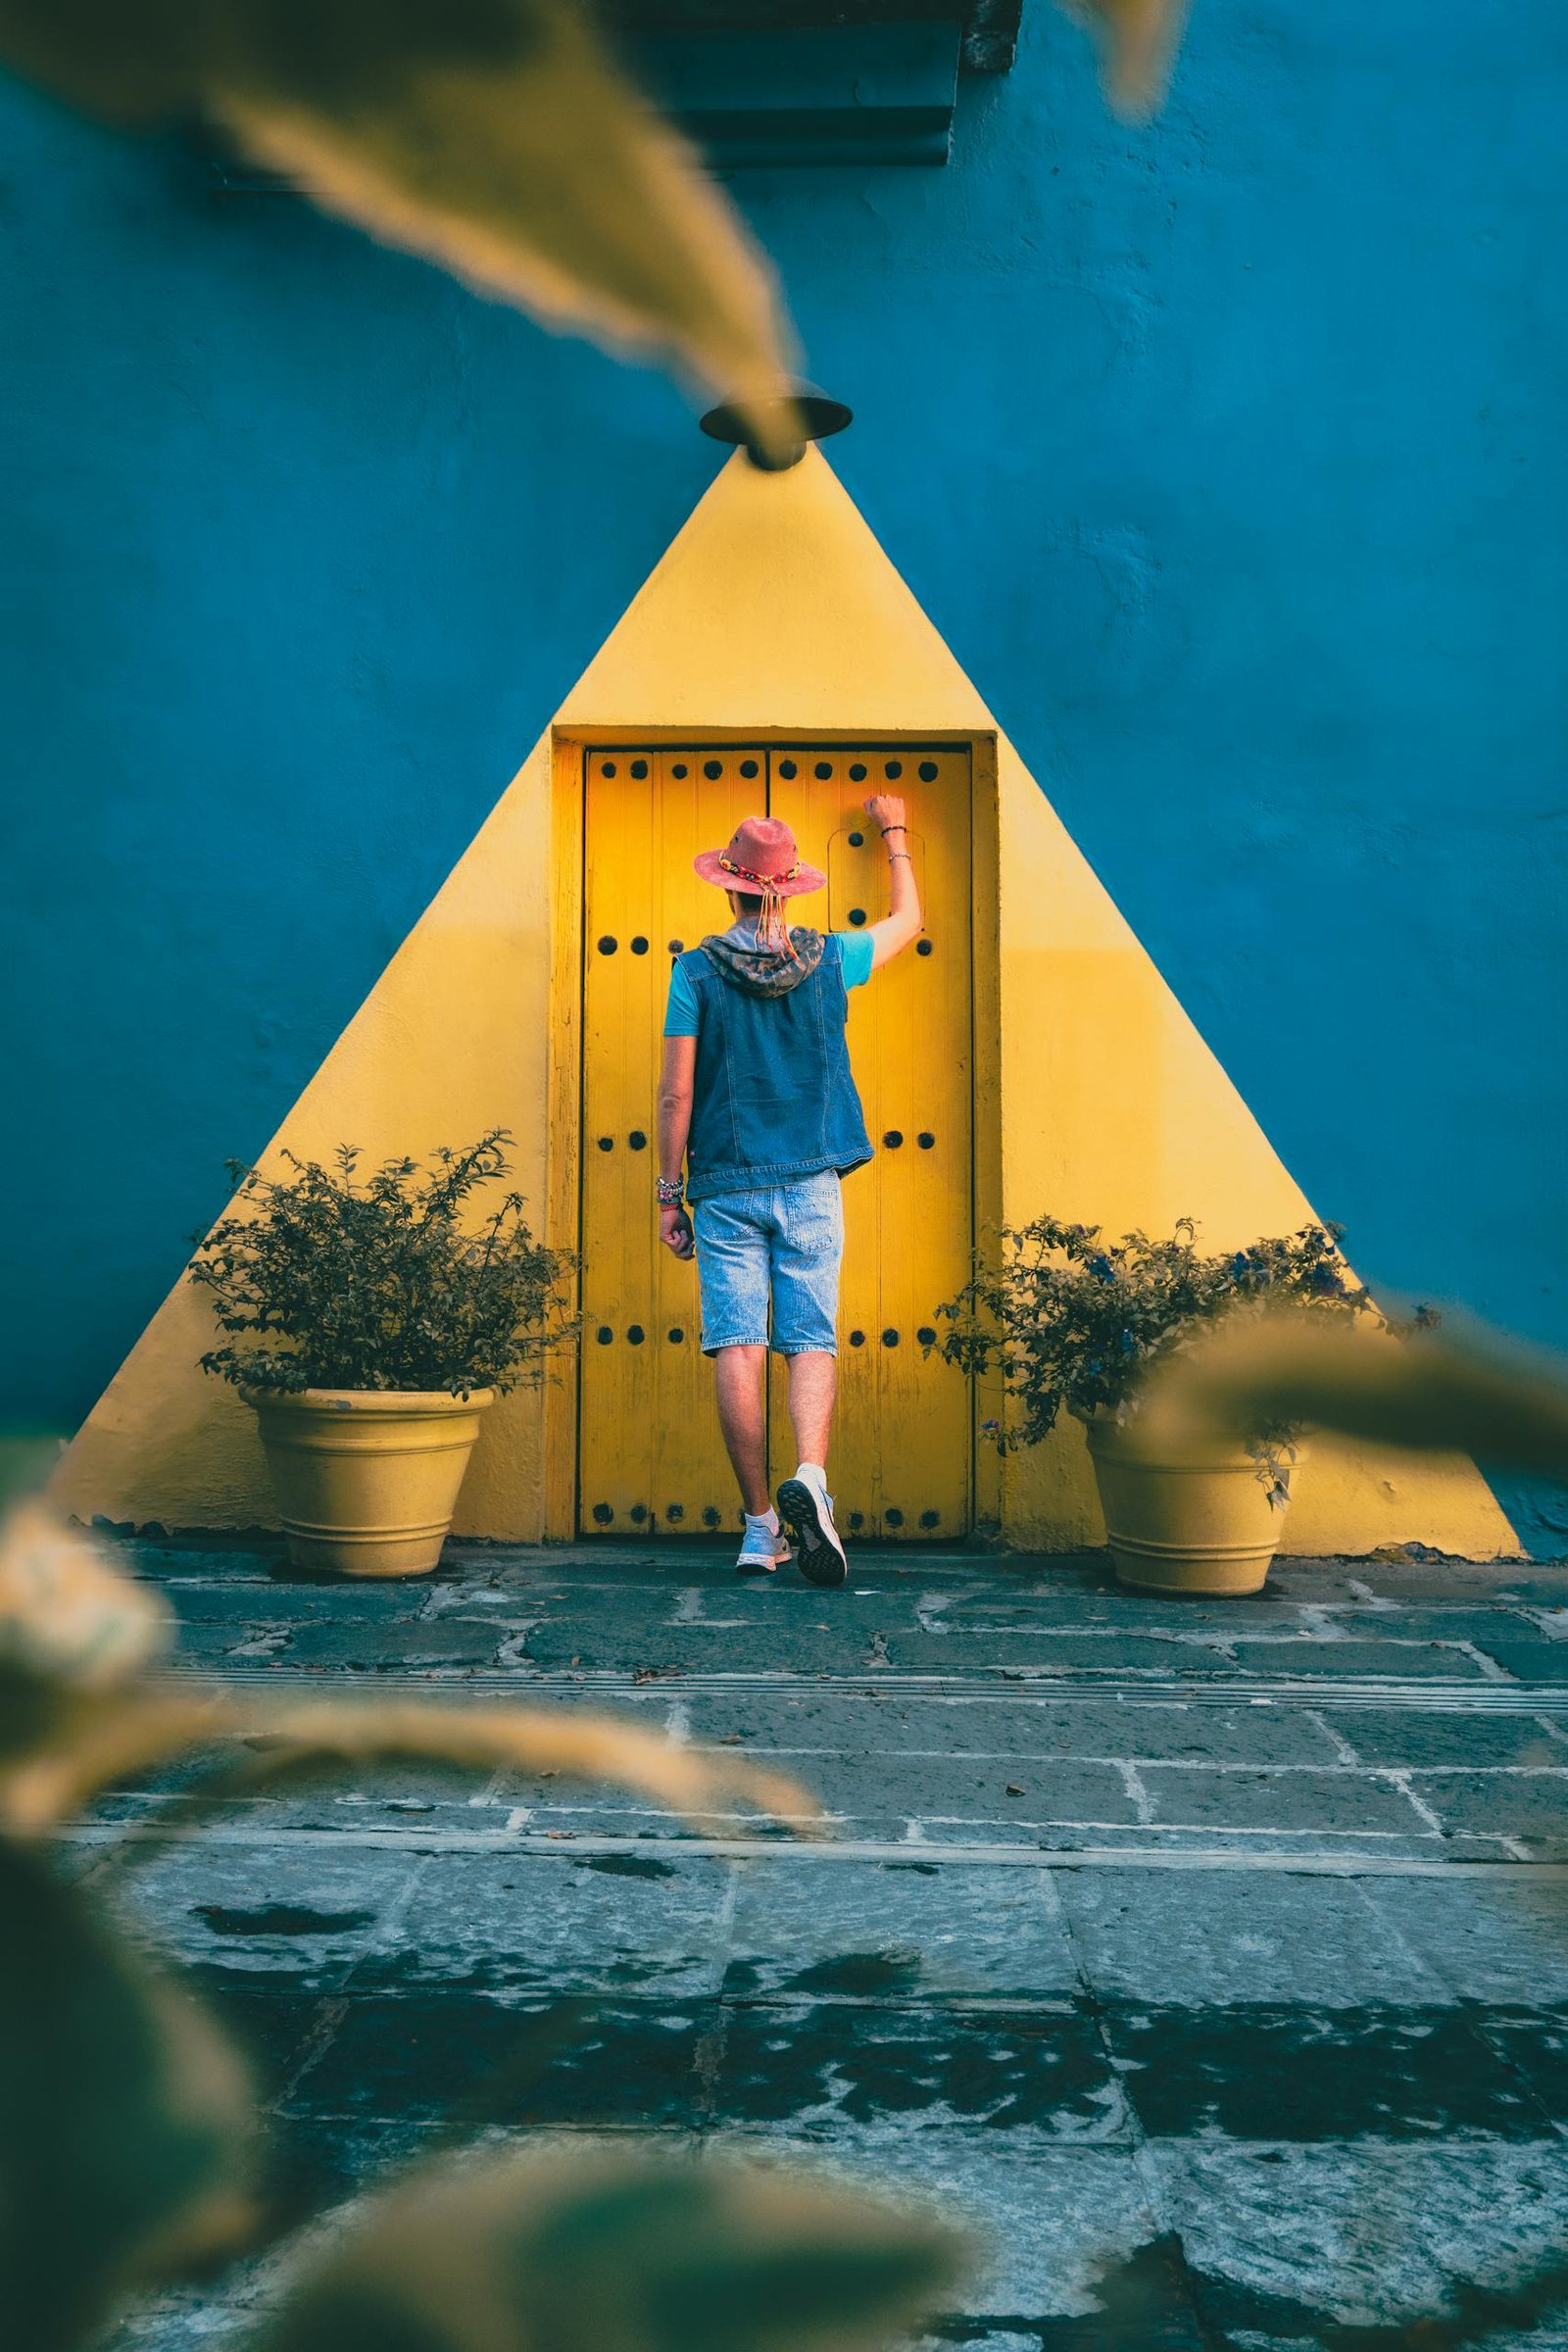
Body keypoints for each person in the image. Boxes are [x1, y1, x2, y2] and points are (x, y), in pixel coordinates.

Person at [655, 795, 923, 1583]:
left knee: (736, 1345)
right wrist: (895, 832)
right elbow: (908, 922)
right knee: (809, 1339)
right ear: (791, 888)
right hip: (810, 1182)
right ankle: (811, 1477)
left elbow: (675, 1096)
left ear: (730, 888)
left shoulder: (695, 971)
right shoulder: (833, 958)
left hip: (727, 1186)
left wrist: (670, 1195)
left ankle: (758, 1527)